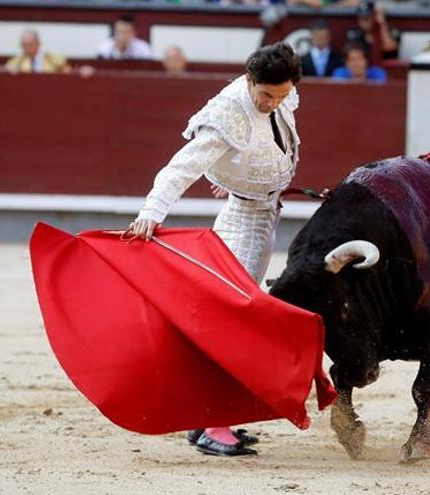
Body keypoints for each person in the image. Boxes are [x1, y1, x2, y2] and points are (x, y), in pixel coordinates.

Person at [128, 43, 303, 457]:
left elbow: (269, 144)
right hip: (244, 224)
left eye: (280, 96)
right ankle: (213, 424)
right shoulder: (228, 114)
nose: (272, 103)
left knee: (230, 319)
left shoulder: (280, 95)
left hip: (259, 214)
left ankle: (206, 416)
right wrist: (152, 212)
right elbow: (181, 166)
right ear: (248, 80)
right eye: (265, 95)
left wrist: (231, 173)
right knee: (232, 323)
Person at [5, 30, 71, 74]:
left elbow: (67, 72)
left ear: (38, 44)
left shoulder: (52, 59)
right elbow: (7, 68)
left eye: (30, 45)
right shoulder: (17, 61)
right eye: (24, 45)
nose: (27, 48)